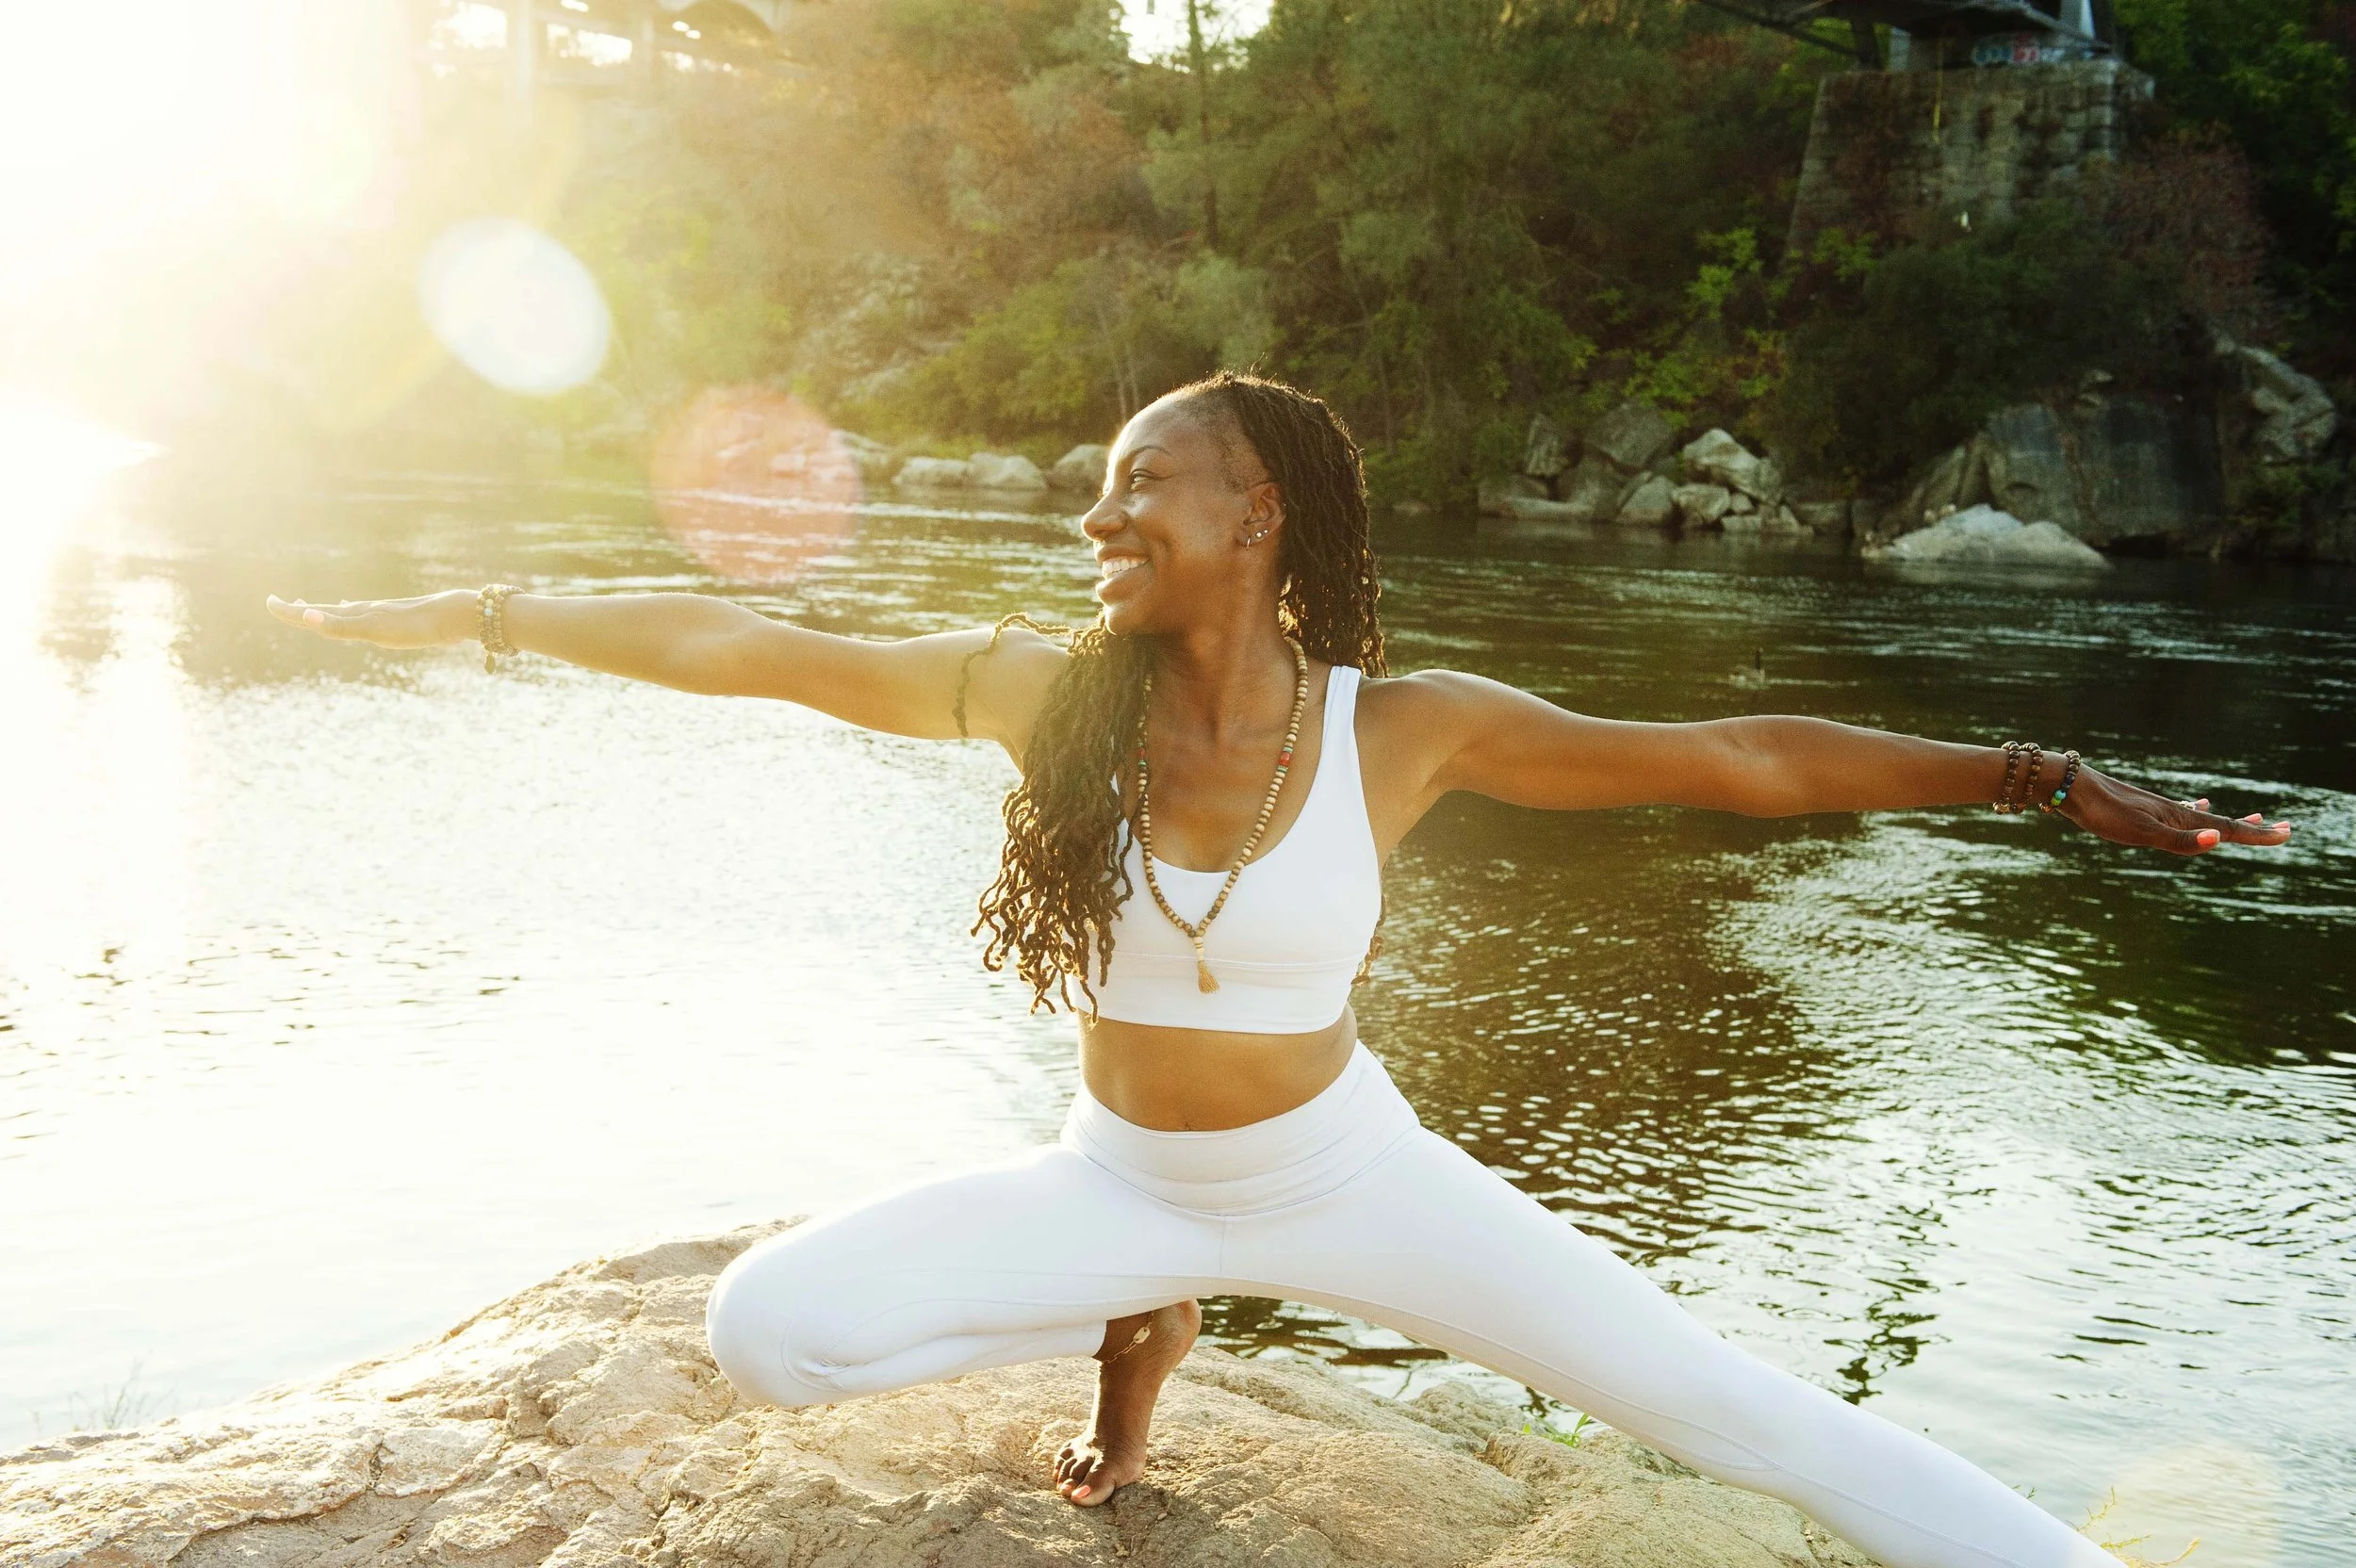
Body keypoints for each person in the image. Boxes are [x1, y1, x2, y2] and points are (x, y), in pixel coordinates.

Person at [267, 372, 2291, 1568]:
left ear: (1255, 512)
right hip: (1117, 1177)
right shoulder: (1034, 696)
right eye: (1099, 482)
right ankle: (1145, 1289)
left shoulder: (1400, 728)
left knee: (1741, 1415)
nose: (1096, 508)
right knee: (768, 1332)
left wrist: (2034, 774)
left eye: (1140, 478)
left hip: (1355, 1173)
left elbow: (1736, 758)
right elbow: (751, 647)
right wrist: (481, 608)